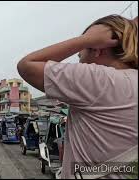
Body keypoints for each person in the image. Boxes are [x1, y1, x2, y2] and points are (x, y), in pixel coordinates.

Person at [17, 15, 137, 179]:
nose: (79, 56)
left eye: (85, 47)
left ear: (98, 48)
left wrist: (84, 39)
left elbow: (27, 66)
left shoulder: (101, 81)